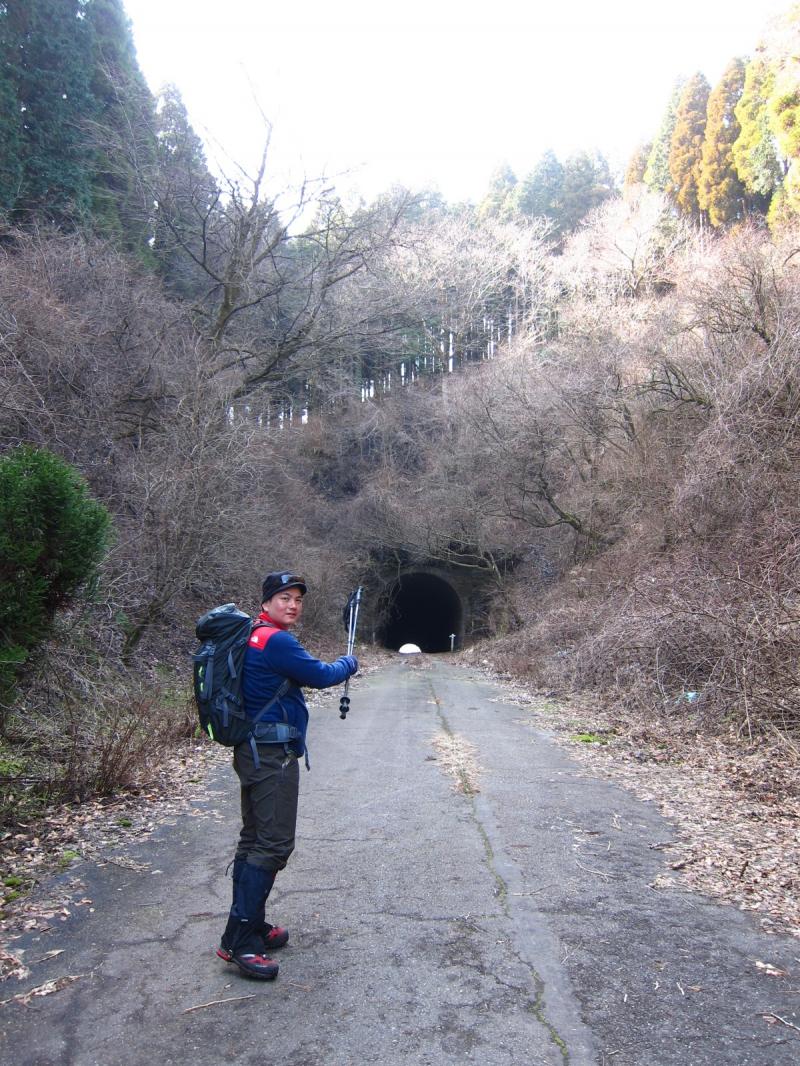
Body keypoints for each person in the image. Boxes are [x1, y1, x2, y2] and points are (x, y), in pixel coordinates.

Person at [216, 571, 358, 980]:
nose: (293, 605)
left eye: (297, 598)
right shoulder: (276, 641)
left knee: (253, 840)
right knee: (273, 845)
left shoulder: (252, 635)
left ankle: (248, 925)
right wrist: (351, 662)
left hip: (252, 749)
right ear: (266, 602)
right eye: (284, 597)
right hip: (271, 755)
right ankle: (240, 942)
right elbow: (322, 675)